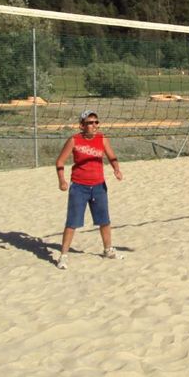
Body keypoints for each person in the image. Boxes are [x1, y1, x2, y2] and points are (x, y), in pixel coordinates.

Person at [54, 110, 123, 270]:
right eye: (90, 123)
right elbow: (60, 161)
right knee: (72, 222)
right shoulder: (74, 140)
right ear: (82, 125)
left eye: (96, 122)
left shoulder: (102, 138)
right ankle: (63, 255)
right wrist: (62, 181)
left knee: (104, 220)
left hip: (99, 185)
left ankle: (108, 250)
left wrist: (116, 169)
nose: (94, 125)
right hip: (79, 186)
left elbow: (112, 156)